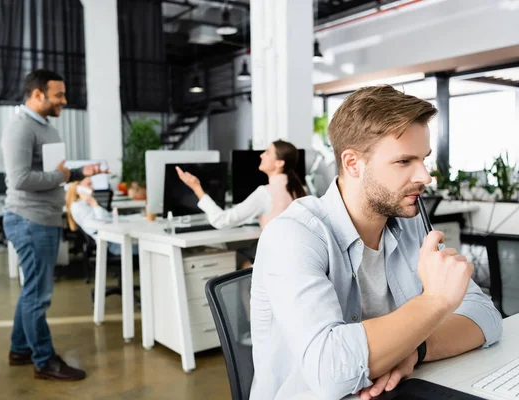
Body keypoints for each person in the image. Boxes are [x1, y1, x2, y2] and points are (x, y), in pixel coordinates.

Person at [249, 85, 503, 400]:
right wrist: (435, 302)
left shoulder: (409, 223)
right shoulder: (292, 235)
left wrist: (415, 351)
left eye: (423, 159)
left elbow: (486, 317)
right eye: (404, 161)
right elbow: (331, 372)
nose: (424, 175)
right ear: (353, 163)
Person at [2, 69, 105, 381]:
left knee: (31, 290)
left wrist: (76, 172)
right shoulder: (20, 128)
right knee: (38, 295)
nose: (65, 100)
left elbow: (51, 171)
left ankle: (20, 349)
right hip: (29, 220)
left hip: (42, 218)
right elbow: (20, 179)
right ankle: (44, 360)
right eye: (58, 95)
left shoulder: (42, 126)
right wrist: (62, 176)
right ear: (37, 95)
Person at [175, 139, 306, 268]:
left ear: (279, 163)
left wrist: (196, 187)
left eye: (267, 152)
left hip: (275, 261)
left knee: (239, 260)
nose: (261, 155)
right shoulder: (300, 190)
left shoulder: (265, 193)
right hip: (294, 259)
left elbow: (221, 220)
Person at [65, 178, 125, 256]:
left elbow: (108, 217)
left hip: (115, 237)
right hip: (111, 243)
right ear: (79, 189)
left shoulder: (86, 204)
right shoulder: (78, 207)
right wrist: (95, 206)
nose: (93, 187)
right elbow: (98, 226)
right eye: (89, 184)